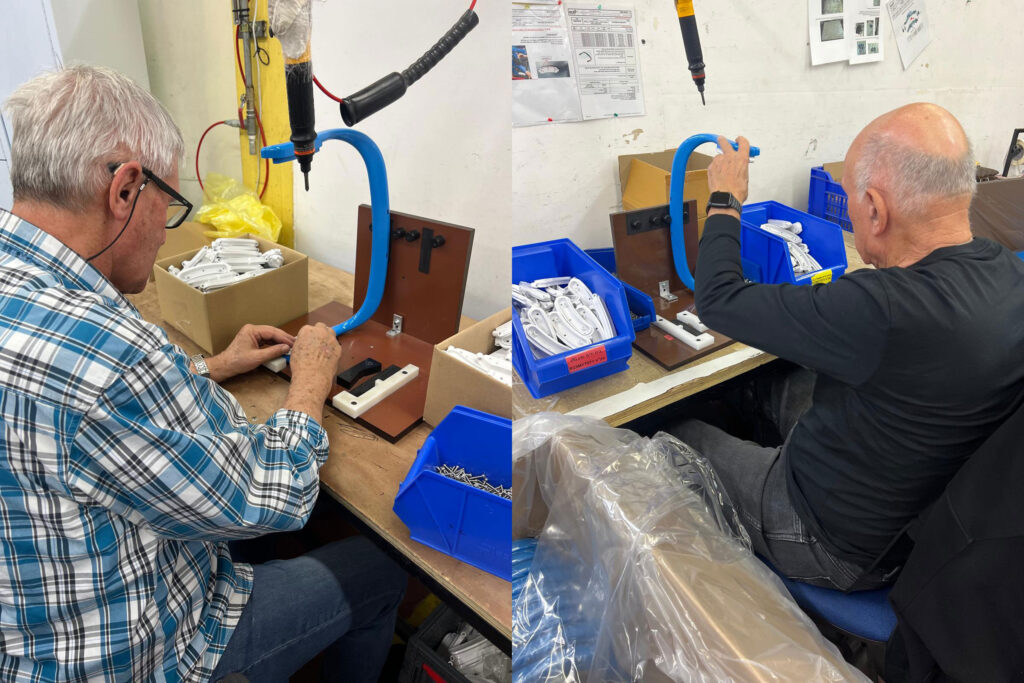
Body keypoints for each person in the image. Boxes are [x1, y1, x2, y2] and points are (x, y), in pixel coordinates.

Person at [0, 65, 405, 681]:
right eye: (170, 205)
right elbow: (275, 492)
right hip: (145, 657)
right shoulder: (108, 355)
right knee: (385, 568)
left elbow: (87, 415)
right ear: (126, 188)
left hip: (30, 634)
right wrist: (309, 385)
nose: (166, 233)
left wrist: (209, 367)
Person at [672, 103, 1024, 591]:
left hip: (837, 546)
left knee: (677, 430)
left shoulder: (881, 308)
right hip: (921, 519)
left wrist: (725, 197)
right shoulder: (1010, 273)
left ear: (876, 210)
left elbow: (718, 300)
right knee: (773, 382)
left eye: (852, 202)